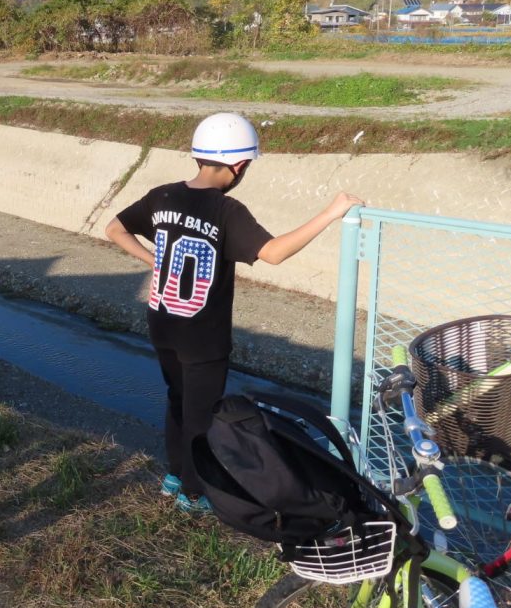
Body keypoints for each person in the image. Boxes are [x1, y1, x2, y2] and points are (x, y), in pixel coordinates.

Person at [105, 112, 363, 513]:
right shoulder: (227, 211)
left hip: (162, 322)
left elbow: (114, 229)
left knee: (176, 400)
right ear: (239, 165)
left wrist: (153, 259)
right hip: (203, 336)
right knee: (202, 416)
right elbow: (274, 253)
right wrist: (331, 213)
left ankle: (175, 474)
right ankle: (194, 492)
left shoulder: (163, 196)